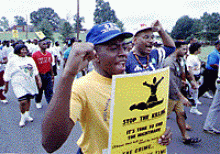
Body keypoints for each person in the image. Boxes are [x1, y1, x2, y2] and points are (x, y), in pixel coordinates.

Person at [41, 22, 172, 154]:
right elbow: (50, 144)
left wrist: (157, 133)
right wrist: (68, 75)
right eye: (114, 48)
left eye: (125, 47)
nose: (124, 53)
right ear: (94, 55)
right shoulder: (81, 87)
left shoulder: (136, 81)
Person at [163, 41, 201, 144]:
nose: (186, 51)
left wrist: (192, 81)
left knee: (181, 114)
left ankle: (185, 137)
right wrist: (182, 97)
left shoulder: (181, 60)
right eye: (183, 49)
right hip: (169, 95)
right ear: (176, 49)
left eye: (186, 49)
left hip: (177, 95)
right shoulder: (169, 62)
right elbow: (170, 82)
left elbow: (186, 72)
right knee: (162, 117)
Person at [3, 44, 42, 127]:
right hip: (18, 83)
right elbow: (7, 73)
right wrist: (6, 86)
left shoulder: (30, 59)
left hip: (29, 82)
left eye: (25, 49)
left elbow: (35, 70)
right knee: (22, 101)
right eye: (22, 50)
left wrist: (38, 80)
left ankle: (27, 115)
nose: (24, 51)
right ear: (17, 50)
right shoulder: (13, 60)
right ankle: (22, 117)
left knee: (28, 99)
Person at [32, 38, 54, 109]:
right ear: (39, 45)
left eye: (46, 44)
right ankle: (38, 101)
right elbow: (33, 66)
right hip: (39, 74)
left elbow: (50, 64)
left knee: (49, 90)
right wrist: (36, 77)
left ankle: (50, 103)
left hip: (47, 74)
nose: (45, 45)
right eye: (43, 44)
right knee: (39, 90)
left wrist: (52, 74)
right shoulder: (35, 55)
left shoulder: (49, 54)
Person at [186, 42, 203, 115]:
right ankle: (193, 108)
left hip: (197, 77)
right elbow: (190, 70)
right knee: (193, 93)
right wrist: (193, 80)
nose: (200, 50)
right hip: (193, 78)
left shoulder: (195, 57)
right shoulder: (191, 58)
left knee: (195, 93)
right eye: (199, 48)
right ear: (196, 49)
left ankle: (194, 105)